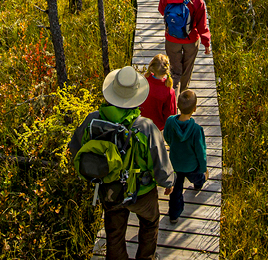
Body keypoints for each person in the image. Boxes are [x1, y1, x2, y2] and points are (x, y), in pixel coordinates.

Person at [68, 66, 174, 260]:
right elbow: (160, 161)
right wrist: (167, 183)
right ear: (136, 96)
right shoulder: (145, 127)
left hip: (109, 188)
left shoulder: (93, 120)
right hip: (142, 192)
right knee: (150, 223)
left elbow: (75, 148)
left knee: (114, 233)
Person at [158, 0, 211, 92]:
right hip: (191, 40)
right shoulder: (196, 0)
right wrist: (206, 43)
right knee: (187, 70)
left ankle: (173, 98)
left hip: (171, 39)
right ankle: (183, 96)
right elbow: (201, 25)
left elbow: (161, 10)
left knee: (175, 71)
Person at [162, 89, 207, 224]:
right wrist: (204, 168)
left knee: (176, 191)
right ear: (194, 108)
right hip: (191, 165)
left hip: (175, 163)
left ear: (178, 106)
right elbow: (200, 151)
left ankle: (174, 215)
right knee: (198, 177)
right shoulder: (196, 130)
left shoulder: (170, 122)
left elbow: (167, 137)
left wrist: (172, 144)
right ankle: (198, 184)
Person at [139, 54, 177, 131]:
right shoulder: (169, 91)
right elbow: (170, 113)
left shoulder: (143, 81)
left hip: (140, 122)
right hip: (157, 127)